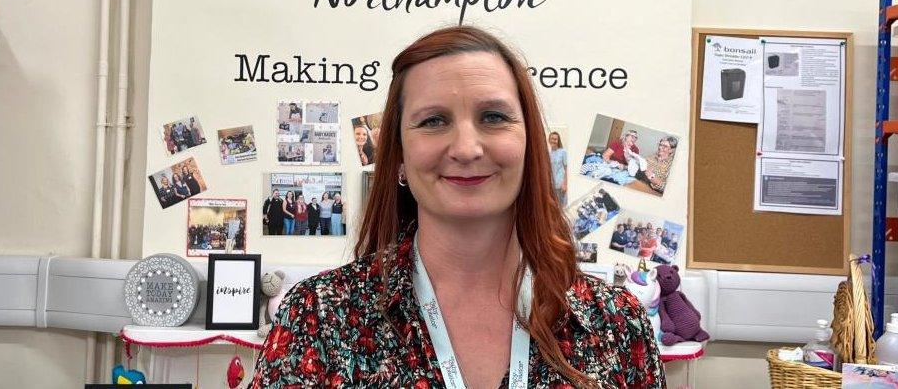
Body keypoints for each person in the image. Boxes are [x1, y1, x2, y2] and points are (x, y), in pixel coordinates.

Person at [252, 26, 664, 388]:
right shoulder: (318, 318)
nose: (467, 149)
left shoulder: (615, 324)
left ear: (529, 145)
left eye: (493, 116)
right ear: (397, 155)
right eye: (433, 121)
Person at [548, 131, 567, 206]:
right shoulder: (549, 153)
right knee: (554, 205)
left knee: (562, 206)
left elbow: (567, 169)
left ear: (558, 141)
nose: (553, 141)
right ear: (549, 140)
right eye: (552, 138)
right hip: (552, 185)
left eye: (555, 139)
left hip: (560, 185)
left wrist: (565, 184)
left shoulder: (563, 152)